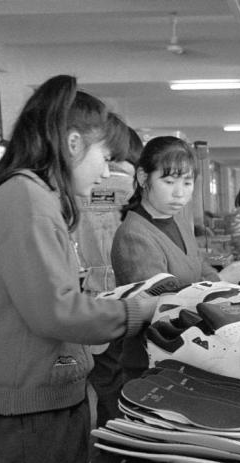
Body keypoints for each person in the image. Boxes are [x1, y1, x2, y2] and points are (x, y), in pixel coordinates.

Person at [0, 74, 159, 463]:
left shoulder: (38, 199)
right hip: (27, 412)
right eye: (105, 158)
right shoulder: (26, 201)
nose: (106, 173)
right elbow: (56, 311)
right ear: (73, 144)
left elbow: (51, 297)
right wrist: (143, 311)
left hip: (46, 397)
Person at [111, 136, 240, 383]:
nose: (179, 193)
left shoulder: (177, 221)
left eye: (187, 183)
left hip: (191, 357)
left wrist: (229, 278)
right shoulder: (134, 235)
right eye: (168, 182)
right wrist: (222, 280)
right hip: (155, 366)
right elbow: (161, 308)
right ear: (143, 178)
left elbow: (198, 265)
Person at [78, 116, 143, 429]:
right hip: (137, 301)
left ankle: (108, 443)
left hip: (92, 303)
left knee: (106, 386)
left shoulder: (79, 190)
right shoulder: (138, 190)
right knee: (134, 387)